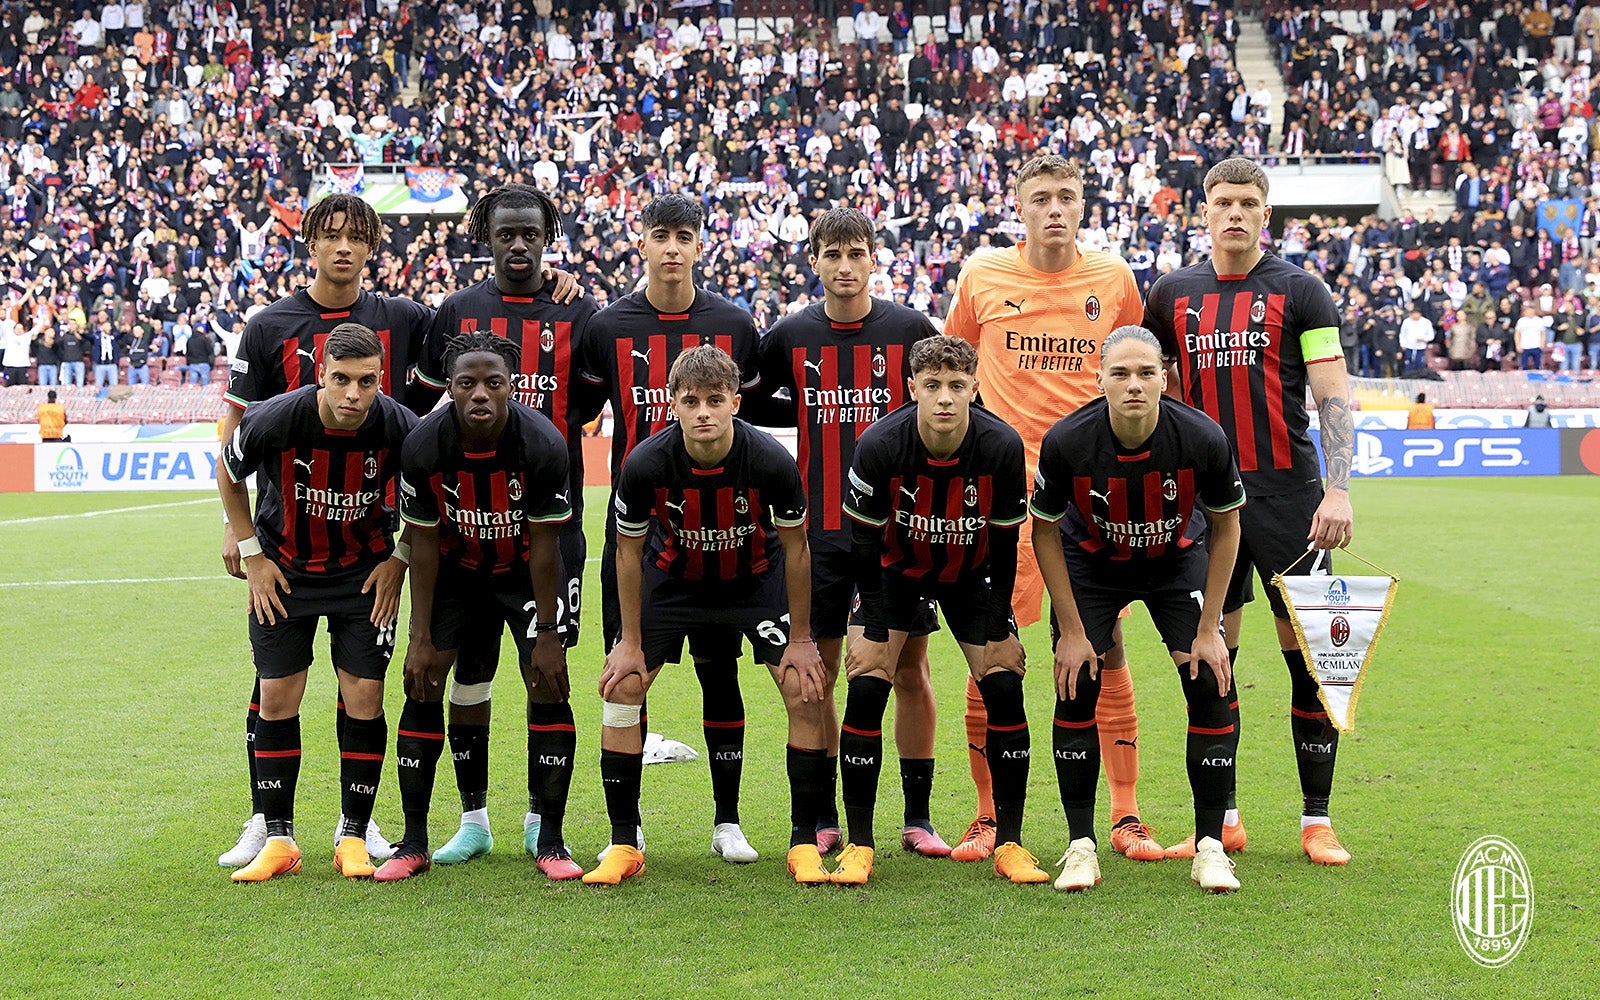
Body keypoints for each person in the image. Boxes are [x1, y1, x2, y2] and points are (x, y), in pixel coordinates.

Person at [941, 153, 1157, 865]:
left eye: (1067, 196)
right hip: (1005, 503)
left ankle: (1125, 815)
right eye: (1042, 198)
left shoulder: (1114, 280)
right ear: (1020, 205)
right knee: (991, 650)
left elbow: (1140, 370)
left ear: (1083, 202)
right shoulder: (983, 278)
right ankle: (986, 818)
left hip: (1093, 503)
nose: (1055, 208)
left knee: (1107, 647)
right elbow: (953, 369)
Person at [1144, 157, 1357, 865]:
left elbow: (1331, 394)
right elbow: (1155, 395)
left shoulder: (1303, 291)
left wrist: (1339, 489)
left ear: (1267, 215)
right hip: (1206, 506)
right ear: (1202, 212)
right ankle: (1222, 821)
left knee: (1313, 662)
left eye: (1248, 203)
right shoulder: (1171, 294)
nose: (1234, 213)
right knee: (1212, 663)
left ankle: (1316, 821)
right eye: (1222, 202)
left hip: (1293, 499)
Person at [583, 346, 828, 886]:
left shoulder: (769, 460)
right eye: (690, 401)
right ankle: (624, 841)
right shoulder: (645, 461)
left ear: (735, 403)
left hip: (752, 580)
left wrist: (803, 637)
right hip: (674, 583)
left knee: (804, 686)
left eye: (715, 401)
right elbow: (626, 551)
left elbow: (796, 549)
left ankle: (802, 841)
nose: (703, 413)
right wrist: (628, 639)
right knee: (623, 687)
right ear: (672, 403)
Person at [411, 183, 600, 865]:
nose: (518, 246)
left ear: (548, 237)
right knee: (470, 675)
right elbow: (421, 408)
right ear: (484, 236)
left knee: (546, 671)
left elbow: (591, 401)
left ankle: (543, 826)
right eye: (505, 234)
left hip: (550, 527)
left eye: (530, 235)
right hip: (465, 534)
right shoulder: (456, 312)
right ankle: (474, 820)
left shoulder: (580, 310)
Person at [756, 207, 949, 869]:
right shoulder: (788, 336)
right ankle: (827, 816)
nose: (844, 266)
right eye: (832, 253)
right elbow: (751, 403)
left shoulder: (908, 329)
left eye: (856, 253)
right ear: (814, 260)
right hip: (817, 537)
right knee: (820, 677)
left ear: (874, 258)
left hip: (897, 536)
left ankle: (918, 817)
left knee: (909, 671)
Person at [578, 193, 765, 864]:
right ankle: (625, 834)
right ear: (642, 240)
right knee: (628, 672)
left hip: (720, 534)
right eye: (661, 235)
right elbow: (574, 409)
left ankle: (727, 822)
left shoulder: (734, 324)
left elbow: (759, 416)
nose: (672, 247)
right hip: (638, 538)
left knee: (721, 673)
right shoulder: (605, 327)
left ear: (700, 243)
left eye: (684, 235)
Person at [1029, 326, 1245, 894]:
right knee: (1076, 682)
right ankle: (1080, 849)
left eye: (1146, 373)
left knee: (1210, 682)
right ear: (1099, 380)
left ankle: (1210, 848)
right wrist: (1072, 632)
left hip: (1175, 561)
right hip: (1092, 564)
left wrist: (1209, 628)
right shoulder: (1067, 441)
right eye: (1120, 373)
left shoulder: (1201, 436)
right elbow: (1045, 532)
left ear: (1164, 379)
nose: (1133, 384)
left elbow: (1227, 527)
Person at [217, 323, 419, 882]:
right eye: (341, 380)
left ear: (380, 378)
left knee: (365, 695)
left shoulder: (402, 425)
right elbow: (227, 474)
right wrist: (254, 556)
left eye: (367, 381)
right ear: (320, 375)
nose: (354, 394)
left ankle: (353, 833)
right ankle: (278, 838)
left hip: (363, 578)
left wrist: (399, 560)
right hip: (284, 574)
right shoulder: (274, 419)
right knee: (278, 696)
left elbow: (430, 494)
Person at [842, 336, 1045, 885]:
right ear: (912, 389)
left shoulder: (1001, 445)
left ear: (975, 389)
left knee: (1003, 682)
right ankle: (860, 845)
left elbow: (1005, 545)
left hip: (970, 576)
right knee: (866, 681)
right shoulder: (880, 443)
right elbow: (862, 545)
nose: (945, 398)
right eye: (932, 386)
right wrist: (874, 625)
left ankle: (1010, 842)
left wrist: (1001, 624)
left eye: (957, 386)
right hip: (893, 573)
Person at [378, 333, 579, 882]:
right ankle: (416, 840)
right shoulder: (423, 445)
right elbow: (421, 543)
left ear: (512, 386)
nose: (481, 394)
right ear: (450, 388)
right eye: (467, 383)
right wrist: (419, 636)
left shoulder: (541, 443)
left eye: (494, 382)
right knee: (423, 680)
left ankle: (551, 838)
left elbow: (544, 547)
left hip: (523, 573)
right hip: (456, 571)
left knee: (547, 681)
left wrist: (546, 631)